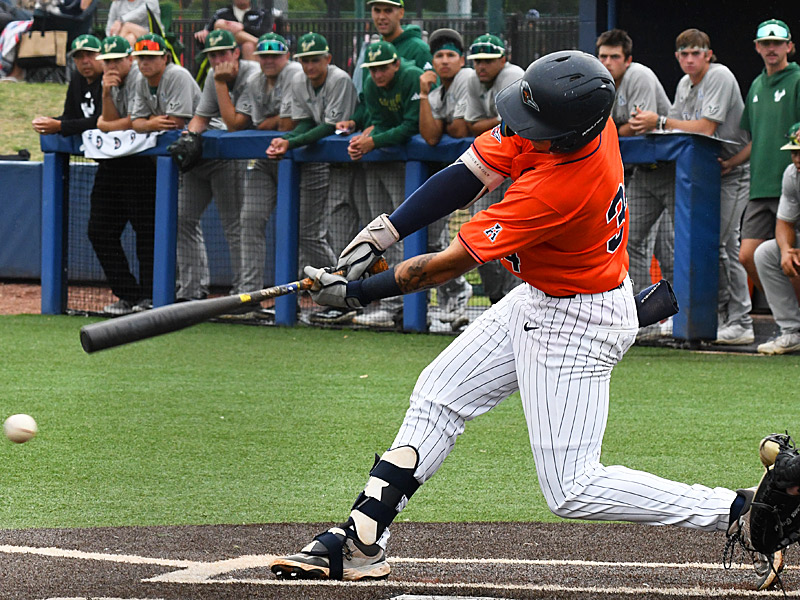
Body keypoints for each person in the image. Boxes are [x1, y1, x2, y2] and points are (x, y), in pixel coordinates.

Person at [269, 50, 779, 590]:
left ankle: (743, 510)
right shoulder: (576, 123)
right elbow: (468, 172)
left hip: (577, 323)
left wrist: (353, 293)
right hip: (545, 296)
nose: (519, 128)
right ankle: (360, 542)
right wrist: (384, 232)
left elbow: (436, 270)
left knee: (572, 488)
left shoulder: (558, 188)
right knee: (439, 393)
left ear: (565, 134)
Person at [630, 29, 754, 346]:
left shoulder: (720, 75)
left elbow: (705, 128)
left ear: (708, 55)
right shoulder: (685, 84)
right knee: (710, 247)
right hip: (704, 172)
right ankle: (717, 318)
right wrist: (659, 123)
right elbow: (676, 132)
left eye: (695, 53)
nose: (689, 59)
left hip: (732, 170)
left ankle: (740, 321)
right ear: (677, 57)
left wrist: (657, 121)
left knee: (723, 246)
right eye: (684, 54)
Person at [264, 32, 357, 325]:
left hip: (355, 162)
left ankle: (350, 297)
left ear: (328, 59)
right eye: (304, 60)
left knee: (347, 233)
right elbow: (306, 122)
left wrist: (290, 143)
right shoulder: (298, 80)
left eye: (315, 59)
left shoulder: (339, 79)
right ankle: (342, 298)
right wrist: (287, 139)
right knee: (323, 231)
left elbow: (330, 127)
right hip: (328, 162)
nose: (309, 66)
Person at [334, 40, 422, 328]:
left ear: (396, 64)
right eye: (373, 69)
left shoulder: (410, 76)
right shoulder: (371, 86)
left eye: (383, 67)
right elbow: (380, 122)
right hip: (384, 160)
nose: (378, 74)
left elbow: (412, 126)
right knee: (382, 234)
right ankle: (392, 304)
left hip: (416, 164)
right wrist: (365, 138)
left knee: (418, 236)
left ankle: (425, 306)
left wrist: (373, 140)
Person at [175, 29, 258, 303]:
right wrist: (188, 137)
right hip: (206, 160)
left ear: (236, 52)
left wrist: (221, 83)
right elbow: (200, 117)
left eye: (223, 53)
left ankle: (243, 293)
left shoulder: (252, 74)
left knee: (236, 225)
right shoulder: (213, 75)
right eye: (212, 55)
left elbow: (234, 124)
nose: (217, 60)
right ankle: (191, 289)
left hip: (233, 159)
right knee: (182, 218)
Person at [722, 19, 800, 300]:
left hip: (792, 185)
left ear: (789, 46)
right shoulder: (755, 85)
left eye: (777, 42)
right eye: (765, 43)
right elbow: (756, 140)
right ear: (756, 47)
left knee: (791, 257)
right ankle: (788, 313)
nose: (771, 48)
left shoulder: (798, 79)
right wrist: (731, 164)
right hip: (759, 187)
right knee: (747, 255)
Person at [596, 29, 673, 305]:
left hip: (670, 171)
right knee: (632, 244)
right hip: (641, 175)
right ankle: (644, 315)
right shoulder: (599, 82)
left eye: (614, 57)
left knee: (671, 252)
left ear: (627, 60)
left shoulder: (638, 74)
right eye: (602, 56)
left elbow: (639, 128)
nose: (607, 62)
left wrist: (611, 130)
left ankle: (679, 320)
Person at [90, 35, 158, 316]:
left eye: (117, 60)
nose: (112, 66)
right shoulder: (108, 81)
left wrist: (108, 125)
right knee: (98, 231)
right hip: (113, 164)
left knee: (147, 232)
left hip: (143, 164)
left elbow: (132, 121)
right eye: (107, 61)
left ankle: (152, 295)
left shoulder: (140, 78)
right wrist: (106, 94)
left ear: (129, 59)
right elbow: (109, 120)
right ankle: (128, 294)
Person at [237, 32, 300, 319]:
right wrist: (270, 124)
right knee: (250, 219)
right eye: (264, 56)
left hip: (305, 160)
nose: (270, 61)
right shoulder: (253, 81)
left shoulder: (295, 74)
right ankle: (249, 296)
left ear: (286, 56)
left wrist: (268, 123)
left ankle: (322, 298)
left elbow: (288, 123)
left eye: (275, 55)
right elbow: (255, 123)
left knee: (309, 233)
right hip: (266, 161)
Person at [418, 27, 473, 330]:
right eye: (439, 55)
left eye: (451, 55)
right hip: (453, 171)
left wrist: (447, 125)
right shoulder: (438, 92)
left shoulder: (466, 79)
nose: (444, 61)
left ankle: (467, 298)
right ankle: (453, 299)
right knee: (433, 240)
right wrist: (424, 94)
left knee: (483, 237)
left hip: (486, 170)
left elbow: (460, 129)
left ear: (461, 59)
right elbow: (430, 135)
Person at [463, 33, 523, 305]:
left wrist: (490, 125)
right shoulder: (473, 79)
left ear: (503, 59)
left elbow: (511, 126)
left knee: (516, 238)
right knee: (478, 230)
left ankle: (514, 299)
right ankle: (498, 300)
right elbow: (471, 125)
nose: (481, 66)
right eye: (477, 61)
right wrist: (494, 123)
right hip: (493, 165)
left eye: (488, 60)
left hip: (522, 168)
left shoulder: (513, 75)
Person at [753, 122, 800, 355]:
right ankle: (792, 331)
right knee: (766, 253)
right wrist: (786, 250)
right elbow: (784, 222)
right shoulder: (792, 175)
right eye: (794, 152)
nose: (798, 158)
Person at [31, 34, 102, 136]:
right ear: (74, 61)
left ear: (102, 56)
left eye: (90, 54)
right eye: (79, 56)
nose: (85, 61)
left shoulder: (108, 80)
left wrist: (60, 126)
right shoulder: (77, 78)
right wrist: (48, 122)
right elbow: (70, 115)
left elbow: (101, 120)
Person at [130, 33, 200, 133]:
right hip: (178, 135)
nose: (145, 62)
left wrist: (148, 121)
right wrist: (150, 124)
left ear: (165, 58)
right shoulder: (141, 78)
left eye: (151, 57)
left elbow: (175, 123)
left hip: (206, 133)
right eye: (141, 57)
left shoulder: (177, 75)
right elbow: (135, 123)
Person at [366, 0, 431, 72]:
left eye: (388, 11)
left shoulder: (419, 49)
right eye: (377, 11)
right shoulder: (372, 51)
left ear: (401, 13)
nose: (381, 17)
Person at [193, 0, 269, 61]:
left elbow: (264, 34)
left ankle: (251, 78)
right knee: (220, 24)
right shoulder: (220, 14)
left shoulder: (262, 14)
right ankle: (257, 42)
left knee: (248, 46)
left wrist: (242, 27)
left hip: (253, 54)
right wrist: (204, 33)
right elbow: (204, 41)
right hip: (226, 54)